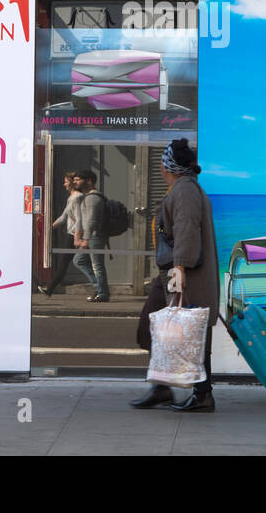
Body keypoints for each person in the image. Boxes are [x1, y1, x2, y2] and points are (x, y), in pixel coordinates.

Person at [130, 138, 220, 412]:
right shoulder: (183, 188)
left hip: (183, 274)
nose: (159, 164)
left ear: (168, 165)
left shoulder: (185, 190)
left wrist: (180, 268)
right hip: (171, 273)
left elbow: (186, 228)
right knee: (155, 328)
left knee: (191, 331)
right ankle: (162, 388)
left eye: (162, 159)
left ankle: (203, 395)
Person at [38, 171, 81, 297]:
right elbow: (64, 217)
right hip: (71, 233)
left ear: (72, 183)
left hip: (73, 234)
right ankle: (49, 289)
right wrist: (50, 227)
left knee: (65, 262)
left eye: (66, 182)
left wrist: (76, 236)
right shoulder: (72, 198)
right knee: (75, 262)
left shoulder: (76, 198)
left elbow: (79, 218)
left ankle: (50, 289)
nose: (64, 184)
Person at [73, 170, 110, 302]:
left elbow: (91, 220)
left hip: (95, 236)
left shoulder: (93, 198)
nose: (75, 182)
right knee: (79, 260)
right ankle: (100, 288)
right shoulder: (87, 197)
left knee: (96, 265)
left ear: (89, 181)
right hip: (92, 236)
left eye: (78, 180)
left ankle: (103, 293)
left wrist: (86, 239)